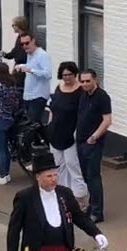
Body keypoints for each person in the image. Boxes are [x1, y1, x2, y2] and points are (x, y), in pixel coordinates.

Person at [46, 61, 87, 206]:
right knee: (59, 166)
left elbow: (83, 114)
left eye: (70, 74)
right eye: (64, 75)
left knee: (73, 165)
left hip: (71, 134)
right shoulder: (59, 88)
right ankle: (63, 195)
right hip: (56, 132)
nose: (67, 78)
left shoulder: (81, 91)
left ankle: (80, 198)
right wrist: (50, 125)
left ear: (75, 74)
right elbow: (53, 108)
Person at [75, 69, 112, 223]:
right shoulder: (83, 95)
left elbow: (107, 120)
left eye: (87, 81)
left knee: (93, 176)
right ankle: (91, 205)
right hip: (81, 140)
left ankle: (97, 212)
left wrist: (94, 136)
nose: (84, 84)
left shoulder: (102, 97)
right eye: (82, 81)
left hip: (93, 143)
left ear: (94, 80)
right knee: (85, 176)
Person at [14, 32, 51, 125]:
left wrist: (31, 70)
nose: (25, 46)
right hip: (28, 95)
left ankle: (44, 138)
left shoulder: (42, 55)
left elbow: (48, 74)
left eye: (27, 43)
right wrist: (21, 66)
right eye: (22, 44)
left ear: (33, 41)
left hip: (38, 96)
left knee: (32, 125)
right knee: (30, 124)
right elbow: (32, 66)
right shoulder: (29, 54)